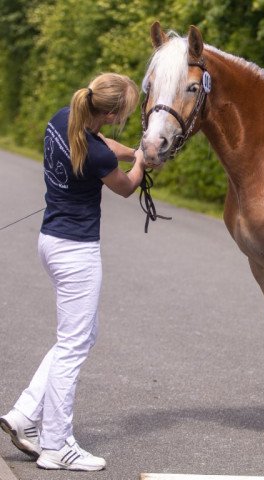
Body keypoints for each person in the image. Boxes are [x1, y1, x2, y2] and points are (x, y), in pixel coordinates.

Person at [0, 73, 146, 471]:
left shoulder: (63, 117)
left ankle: (23, 414)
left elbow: (105, 147)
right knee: (73, 347)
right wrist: (144, 164)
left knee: (79, 336)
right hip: (76, 252)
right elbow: (126, 187)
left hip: (51, 241)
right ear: (112, 113)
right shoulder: (96, 154)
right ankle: (56, 445)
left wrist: (133, 151)